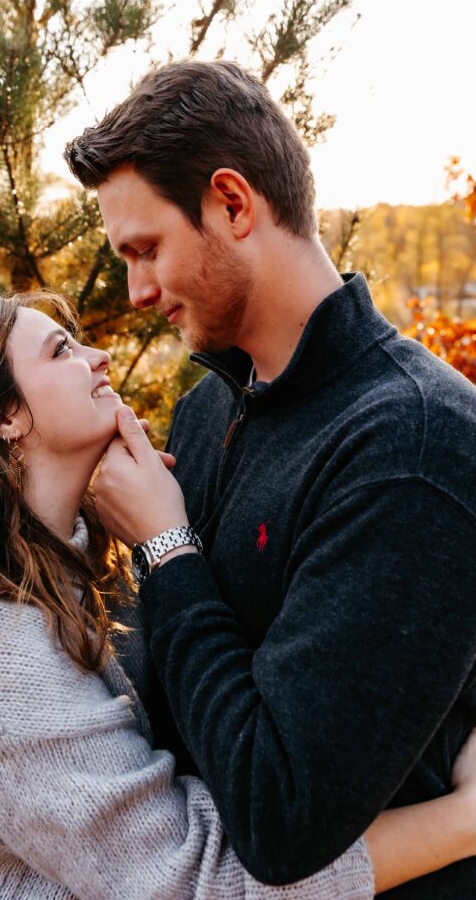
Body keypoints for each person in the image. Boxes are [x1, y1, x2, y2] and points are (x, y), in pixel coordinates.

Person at [0, 291, 476, 899]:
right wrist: (462, 821)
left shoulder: (41, 578)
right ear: (6, 416)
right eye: (60, 351)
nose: (98, 355)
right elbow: (193, 882)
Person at [64, 59, 476, 898]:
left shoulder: (413, 443)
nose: (136, 291)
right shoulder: (203, 416)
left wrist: (164, 546)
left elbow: (279, 816)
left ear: (232, 202)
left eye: (146, 250)